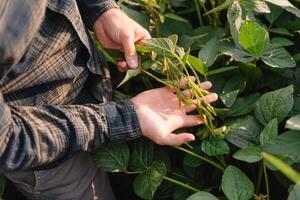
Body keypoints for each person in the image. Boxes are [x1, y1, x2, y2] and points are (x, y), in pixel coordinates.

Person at [0, 0, 218, 199]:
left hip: (96, 89)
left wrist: (101, 10)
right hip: (46, 154)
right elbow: (6, 141)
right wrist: (124, 118)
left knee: (121, 183)